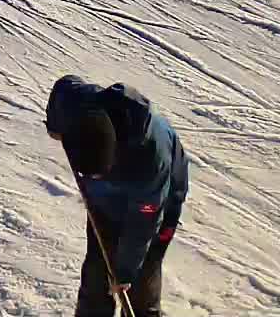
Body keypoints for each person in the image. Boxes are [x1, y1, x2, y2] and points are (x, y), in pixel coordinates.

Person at [47, 76, 189, 317]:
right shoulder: (80, 107)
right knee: (96, 271)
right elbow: (65, 87)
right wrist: (55, 126)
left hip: (158, 206)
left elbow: (142, 226)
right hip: (106, 203)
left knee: (140, 280)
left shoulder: (151, 159)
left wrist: (124, 273)